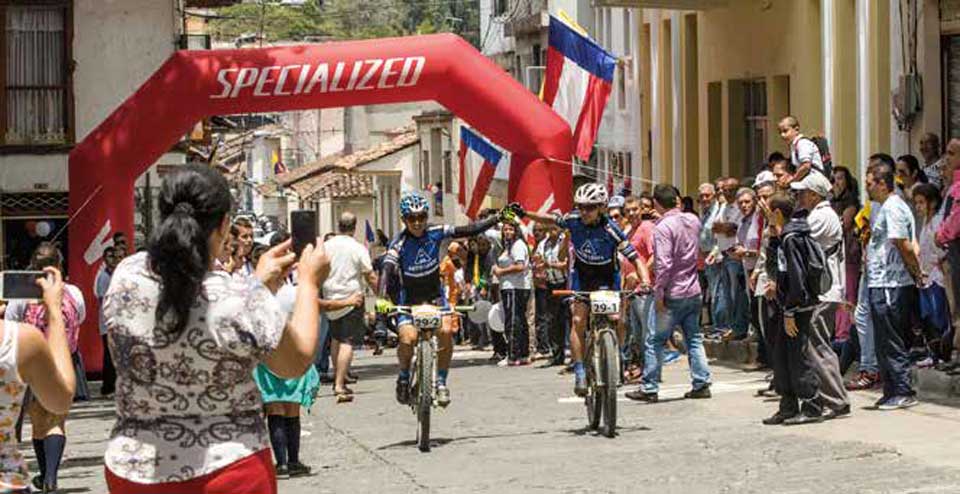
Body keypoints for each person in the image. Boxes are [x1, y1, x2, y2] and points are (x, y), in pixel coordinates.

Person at [102, 164, 329, 493]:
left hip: (136, 469)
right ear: (224, 225)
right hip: (229, 469)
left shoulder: (126, 276)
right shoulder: (241, 298)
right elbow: (295, 361)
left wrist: (256, 285)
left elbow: (193, 293)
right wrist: (308, 284)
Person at [376, 193, 507, 407]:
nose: (417, 223)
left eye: (421, 217)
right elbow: (387, 270)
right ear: (404, 220)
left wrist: (499, 217)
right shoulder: (398, 243)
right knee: (407, 339)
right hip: (408, 300)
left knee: (446, 332)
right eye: (411, 218)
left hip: (435, 297)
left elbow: (470, 230)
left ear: (427, 217)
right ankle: (403, 375)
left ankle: (441, 381)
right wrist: (381, 298)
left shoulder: (436, 233)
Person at [519, 183, 651, 396]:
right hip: (582, 278)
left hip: (607, 278)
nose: (583, 212)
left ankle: (615, 356)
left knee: (617, 318)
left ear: (601, 207)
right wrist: (524, 213)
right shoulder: (573, 221)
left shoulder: (611, 229)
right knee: (579, 321)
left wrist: (645, 281)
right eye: (580, 207)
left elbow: (635, 258)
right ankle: (580, 370)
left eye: (589, 208)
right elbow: (548, 219)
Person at [5, 244, 84, 493]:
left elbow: (11, 320)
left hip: (27, 364)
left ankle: (46, 475)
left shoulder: (21, 296)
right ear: (59, 266)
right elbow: (80, 316)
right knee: (56, 420)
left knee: (38, 421)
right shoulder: (73, 292)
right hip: (61, 359)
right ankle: (50, 476)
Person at [626, 185, 711, 402]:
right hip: (693, 288)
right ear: (677, 201)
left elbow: (664, 264)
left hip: (672, 291)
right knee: (694, 338)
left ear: (656, 204)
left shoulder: (663, 228)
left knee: (654, 340)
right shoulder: (692, 220)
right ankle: (701, 382)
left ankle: (650, 387)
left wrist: (660, 293)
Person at [791, 173, 851, 419]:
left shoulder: (821, 216)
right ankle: (831, 398)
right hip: (823, 290)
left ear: (814, 194)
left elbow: (796, 241)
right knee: (816, 345)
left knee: (816, 346)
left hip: (824, 291)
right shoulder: (818, 214)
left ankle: (836, 399)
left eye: (802, 192)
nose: (798, 197)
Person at [761, 193, 824, 426]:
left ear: (777, 212)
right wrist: (772, 238)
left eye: (769, 211)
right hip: (784, 303)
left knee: (798, 356)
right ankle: (787, 404)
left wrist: (790, 311)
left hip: (796, 307)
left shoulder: (792, 238)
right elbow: (778, 269)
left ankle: (812, 404)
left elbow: (797, 278)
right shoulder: (783, 237)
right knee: (782, 356)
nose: (766, 215)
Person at [865, 160, 922, 410]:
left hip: (892, 283)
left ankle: (902, 389)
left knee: (892, 339)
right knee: (882, 340)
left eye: (869, 183)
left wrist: (916, 271)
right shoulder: (883, 207)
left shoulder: (894, 207)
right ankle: (890, 389)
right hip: (880, 282)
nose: (866, 188)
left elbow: (903, 243)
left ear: (881, 183)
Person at [323, 212, 377, 403]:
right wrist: (381, 293)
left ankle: (339, 376)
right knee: (347, 341)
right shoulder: (357, 248)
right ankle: (339, 384)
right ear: (354, 227)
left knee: (336, 339)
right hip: (351, 298)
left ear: (338, 225)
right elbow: (369, 274)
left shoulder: (326, 246)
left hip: (330, 297)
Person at [913, 183, 950, 364]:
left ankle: (943, 354)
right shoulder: (925, 223)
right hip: (925, 276)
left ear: (932, 203)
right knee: (928, 316)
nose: (918, 207)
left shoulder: (937, 222)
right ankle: (932, 353)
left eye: (921, 202)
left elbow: (940, 250)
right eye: (916, 203)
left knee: (939, 316)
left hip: (937, 276)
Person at [623, 195, 656, 377]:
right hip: (632, 292)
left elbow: (655, 255)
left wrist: (639, 274)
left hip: (645, 289)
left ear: (641, 210)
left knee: (647, 335)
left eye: (635, 209)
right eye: (628, 211)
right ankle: (644, 371)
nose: (632, 213)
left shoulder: (647, 228)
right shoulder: (628, 232)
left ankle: (651, 373)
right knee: (638, 335)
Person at [712, 178, 748, 341]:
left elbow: (732, 229)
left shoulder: (739, 207)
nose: (726, 193)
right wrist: (724, 227)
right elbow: (715, 227)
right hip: (724, 255)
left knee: (737, 295)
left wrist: (724, 227)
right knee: (727, 296)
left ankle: (740, 327)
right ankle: (732, 326)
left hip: (735, 255)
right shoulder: (723, 207)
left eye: (730, 189)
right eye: (723, 190)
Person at [493, 220, 532, 365]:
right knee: (518, 320)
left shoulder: (518, 245)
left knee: (513, 321)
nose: (507, 232)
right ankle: (522, 354)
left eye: (510, 229)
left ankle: (512, 355)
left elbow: (520, 266)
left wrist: (500, 271)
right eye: (505, 230)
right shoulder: (508, 246)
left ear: (516, 231)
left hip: (515, 287)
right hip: (509, 286)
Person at [936, 138, 960, 371]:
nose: (947, 158)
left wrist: (940, 235)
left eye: (952, 154)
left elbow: (955, 221)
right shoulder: (952, 185)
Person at [535, 225, 568, 367]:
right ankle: (556, 354)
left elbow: (566, 264)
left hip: (565, 283)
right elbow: (537, 259)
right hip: (550, 284)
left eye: (555, 227)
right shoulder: (544, 244)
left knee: (569, 319)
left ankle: (573, 354)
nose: (552, 230)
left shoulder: (565, 241)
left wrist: (550, 265)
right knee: (553, 321)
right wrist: (539, 266)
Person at [95, 246, 119, 397]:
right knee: (109, 356)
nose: (113, 260)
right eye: (110, 257)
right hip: (107, 321)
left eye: (114, 257)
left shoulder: (116, 275)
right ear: (104, 259)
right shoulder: (104, 277)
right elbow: (103, 300)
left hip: (116, 320)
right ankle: (108, 386)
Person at [778, 115, 825, 187]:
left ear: (796, 129)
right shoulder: (794, 146)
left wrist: (792, 180)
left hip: (814, 183)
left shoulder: (802, 143)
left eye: (785, 131)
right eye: (780, 132)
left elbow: (806, 166)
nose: (782, 135)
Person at [698, 183, 721, 330]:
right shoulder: (705, 213)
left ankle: (719, 326)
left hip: (716, 257)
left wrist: (713, 251)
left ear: (714, 196)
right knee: (711, 294)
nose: (705, 199)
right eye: (701, 196)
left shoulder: (718, 211)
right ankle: (715, 325)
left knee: (717, 293)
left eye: (708, 195)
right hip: (705, 259)